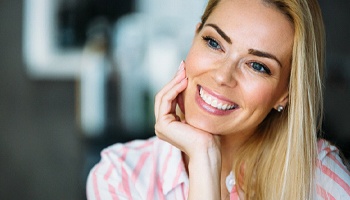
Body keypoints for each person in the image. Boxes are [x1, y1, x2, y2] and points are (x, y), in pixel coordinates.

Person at [86, 0, 350, 199]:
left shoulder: (318, 179)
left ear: (286, 92)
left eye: (257, 66)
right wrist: (204, 155)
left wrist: (204, 161)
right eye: (214, 43)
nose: (223, 76)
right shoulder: (121, 176)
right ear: (195, 37)